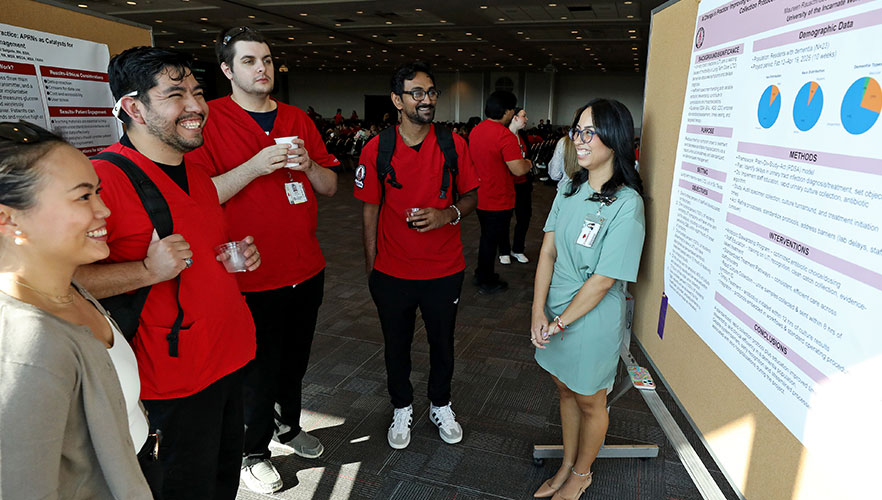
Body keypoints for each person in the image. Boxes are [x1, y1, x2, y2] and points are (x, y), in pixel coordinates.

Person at [75, 46, 260, 500]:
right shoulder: (103, 179)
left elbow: (196, 246)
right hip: (172, 378)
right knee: (184, 488)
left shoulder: (195, 170)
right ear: (134, 108)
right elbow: (65, 281)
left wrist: (232, 256)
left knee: (223, 481)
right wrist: (144, 270)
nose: (196, 106)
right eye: (175, 95)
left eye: (197, 92)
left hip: (228, 354)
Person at [186, 25, 339, 494]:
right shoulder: (209, 119)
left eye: (267, 60)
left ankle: (287, 427)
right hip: (248, 274)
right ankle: (252, 452)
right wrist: (254, 167)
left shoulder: (297, 118)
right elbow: (200, 196)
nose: (262, 69)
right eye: (249, 61)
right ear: (228, 70)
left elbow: (331, 186)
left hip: (304, 267)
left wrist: (308, 166)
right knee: (255, 369)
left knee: (294, 362)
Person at [0, 121, 153, 499]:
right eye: (84, 197)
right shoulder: (26, 347)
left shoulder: (69, 289)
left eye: (97, 192)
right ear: (8, 219)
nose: (104, 209)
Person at [355, 61, 479, 450]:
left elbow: (471, 196)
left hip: (445, 269)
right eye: (417, 93)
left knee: (443, 343)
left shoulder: (453, 144)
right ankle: (402, 406)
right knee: (397, 345)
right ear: (397, 100)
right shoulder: (378, 148)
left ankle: (440, 404)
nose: (427, 100)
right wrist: (372, 267)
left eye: (431, 92)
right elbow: (370, 211)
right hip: (393, 272)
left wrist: (447, 214)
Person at [530, 99, 645, 500]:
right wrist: (537, 311)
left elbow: (602, 281)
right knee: (565, 389)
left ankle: (581, 473)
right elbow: (548, 252)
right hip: (555, 309)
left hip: (591, 318)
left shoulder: (627, 204)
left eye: (590, 132)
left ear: (614, 139)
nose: (579, 140)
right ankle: (566, 463)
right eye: (577, 130)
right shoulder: (569, 187)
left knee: (591, 400)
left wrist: (559, 322)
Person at [469, 91, 531, 294]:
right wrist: (528, 163)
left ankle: (482, 273)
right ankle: (485, 280)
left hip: (480, 194)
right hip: (498, 197)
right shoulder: (504, 135)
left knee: (487, 237)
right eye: (512, 110)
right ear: (506, 111)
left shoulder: (476, 130)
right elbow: (518, 169)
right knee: (491, 240)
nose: (512, 114)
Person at [499, 107, 533, 265]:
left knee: (524, 217)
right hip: (507, 183)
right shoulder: (503, 136)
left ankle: (518, 249)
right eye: (524, 116)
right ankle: (504, 250)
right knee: (504, 218)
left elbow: (528, 157)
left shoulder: (523, 136)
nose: (526, 119)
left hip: (523, 183)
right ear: (514, 118)